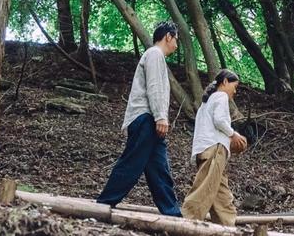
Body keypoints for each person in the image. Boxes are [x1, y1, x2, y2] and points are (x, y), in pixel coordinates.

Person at [96, 21, 183, 216]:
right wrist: (161, 117)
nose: (176, 45)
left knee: (159, 170)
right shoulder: (154, 54)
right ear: (168, 36)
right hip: (146, 118)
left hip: (150, 119)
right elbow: (154, 87)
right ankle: (103, 204)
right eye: (176, 39)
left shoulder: (156, 56)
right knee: (131, 163)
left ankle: (172, 213)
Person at [181, 69, 247, 226]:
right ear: (225, 82)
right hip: (214, 150)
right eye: (234, 86)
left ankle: (228, 228)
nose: (235, 91)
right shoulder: (221, 96)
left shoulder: (207, 102)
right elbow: (220, 121)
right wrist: (234, 135)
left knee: (221, 195)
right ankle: (186, 223)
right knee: (203, 190)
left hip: (206, 149)